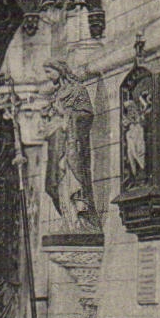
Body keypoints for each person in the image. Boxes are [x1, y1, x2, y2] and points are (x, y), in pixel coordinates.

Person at [41, 60, 97, 231]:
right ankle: (67, 220)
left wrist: (65, 114)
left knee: (71, 182)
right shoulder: (55, 94)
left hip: (71, 145)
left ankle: (78, 223)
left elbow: (87, 115)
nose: (48, 76)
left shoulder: (78, 90)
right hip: (56, 144)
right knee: (53, 185)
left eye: (49, 72)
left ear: (60, 70)